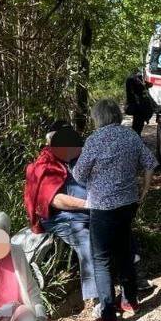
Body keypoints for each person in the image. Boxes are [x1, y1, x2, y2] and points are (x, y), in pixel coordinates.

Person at [74, 99, 157, 321]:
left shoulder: (94, 140)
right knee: (124, 252)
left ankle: (109, 318)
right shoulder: (130, 136)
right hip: (128, 205)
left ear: (98, 118)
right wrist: (144, 191)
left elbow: (79, 175)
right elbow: (150, 163)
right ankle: (130, 301)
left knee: (101, 260)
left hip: (103, 208)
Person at [23, 123, 96, 306]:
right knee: (86, 242)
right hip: (60, 217)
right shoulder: (46, 164)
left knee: (118, 223)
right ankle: (97, 299)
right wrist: (89, 204)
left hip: (86, 211)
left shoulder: (77, 157)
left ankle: (133, 280)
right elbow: (54, 200)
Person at [124, 68, 155, 134]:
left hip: (139, 106)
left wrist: (144, 83)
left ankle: (136, 136)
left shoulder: (136, 80)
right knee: (137, 124)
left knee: (138, 124)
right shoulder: (132, 80)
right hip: (138, 106)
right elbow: (135, 91)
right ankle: (135, 137)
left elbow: (149, 85)